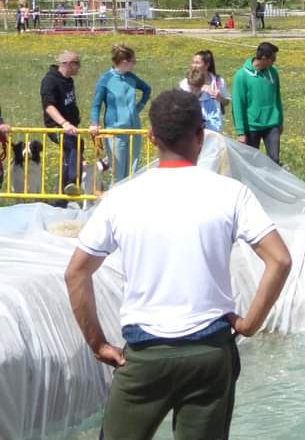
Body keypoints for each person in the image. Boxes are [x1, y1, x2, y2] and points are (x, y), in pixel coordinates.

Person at [64, 89, 292, 439]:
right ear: (200, 136)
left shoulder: (121, 199)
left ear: (151, 136)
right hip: (210, 352)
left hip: (145, 354)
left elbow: (76, 273)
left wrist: (98, 344)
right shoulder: (231, 194)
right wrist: (249, 324)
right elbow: (279, 260)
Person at [88, 45, 152, 184]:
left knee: (133, 172)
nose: (134, 64)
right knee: (117, 174)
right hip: (115, 131)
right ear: (124, 62)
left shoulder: (131, 77)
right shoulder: (105, 79)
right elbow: (96, 105)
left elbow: (147, 89)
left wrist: (138, 107)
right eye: (133, 61)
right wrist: (95, 123)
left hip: (134, 130)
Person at [41, 50, 83, 199]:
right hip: (56, 127)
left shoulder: (69, 80)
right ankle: (70, 183)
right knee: (71, 145)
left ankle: (63, 195)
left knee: (77, 148)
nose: (80, 67)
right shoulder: (49, 81)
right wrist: (64, 123)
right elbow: (49, 106)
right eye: (77, 63)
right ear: (68, 64)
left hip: (71, 127)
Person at [233, 42, 284, 164]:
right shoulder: (241, 76)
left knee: (274, 160)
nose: (274, 62)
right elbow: (237, 105)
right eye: (273, 59)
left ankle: (271, 182)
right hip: (252, 127)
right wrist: (240, 132)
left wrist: (280, 120)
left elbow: (277, 97)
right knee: (251, 163)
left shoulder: (273, 73)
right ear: (264, 58)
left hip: (272, 124)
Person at [181, 50, 229, 118]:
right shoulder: (185, 83)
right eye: (193, 62)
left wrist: (219, 97)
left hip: (214, 125)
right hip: (193, 124)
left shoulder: (218, 81)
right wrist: (197, 92)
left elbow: (226, 102)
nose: (194, 65)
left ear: (207, 65)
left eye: (197, 63)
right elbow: (182, 105)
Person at [184, 66, 224, 133]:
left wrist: (204, 125)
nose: (193, 92)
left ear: (202, 86)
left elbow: (216, 124)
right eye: (191, 89)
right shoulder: (183, 97)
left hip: (205, 136)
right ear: (188, 84)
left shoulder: (209, 99)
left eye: (196, 90)